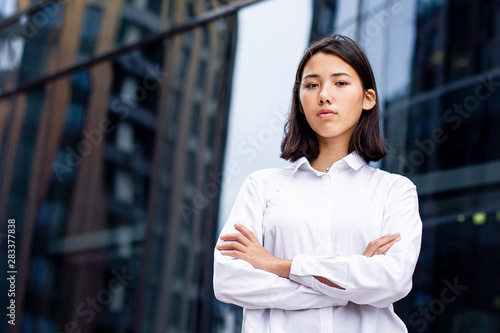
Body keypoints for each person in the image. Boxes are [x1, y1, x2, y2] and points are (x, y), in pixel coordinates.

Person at [213, 34, 422, 332]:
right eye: (312, 85)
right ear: (300, 102)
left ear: (368, 98)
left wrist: (278, 265)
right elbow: (229, 281)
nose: (324, 95)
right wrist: (347, 284)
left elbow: (393, 280)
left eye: (340, 83)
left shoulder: (394, 191)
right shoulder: (262, 186)